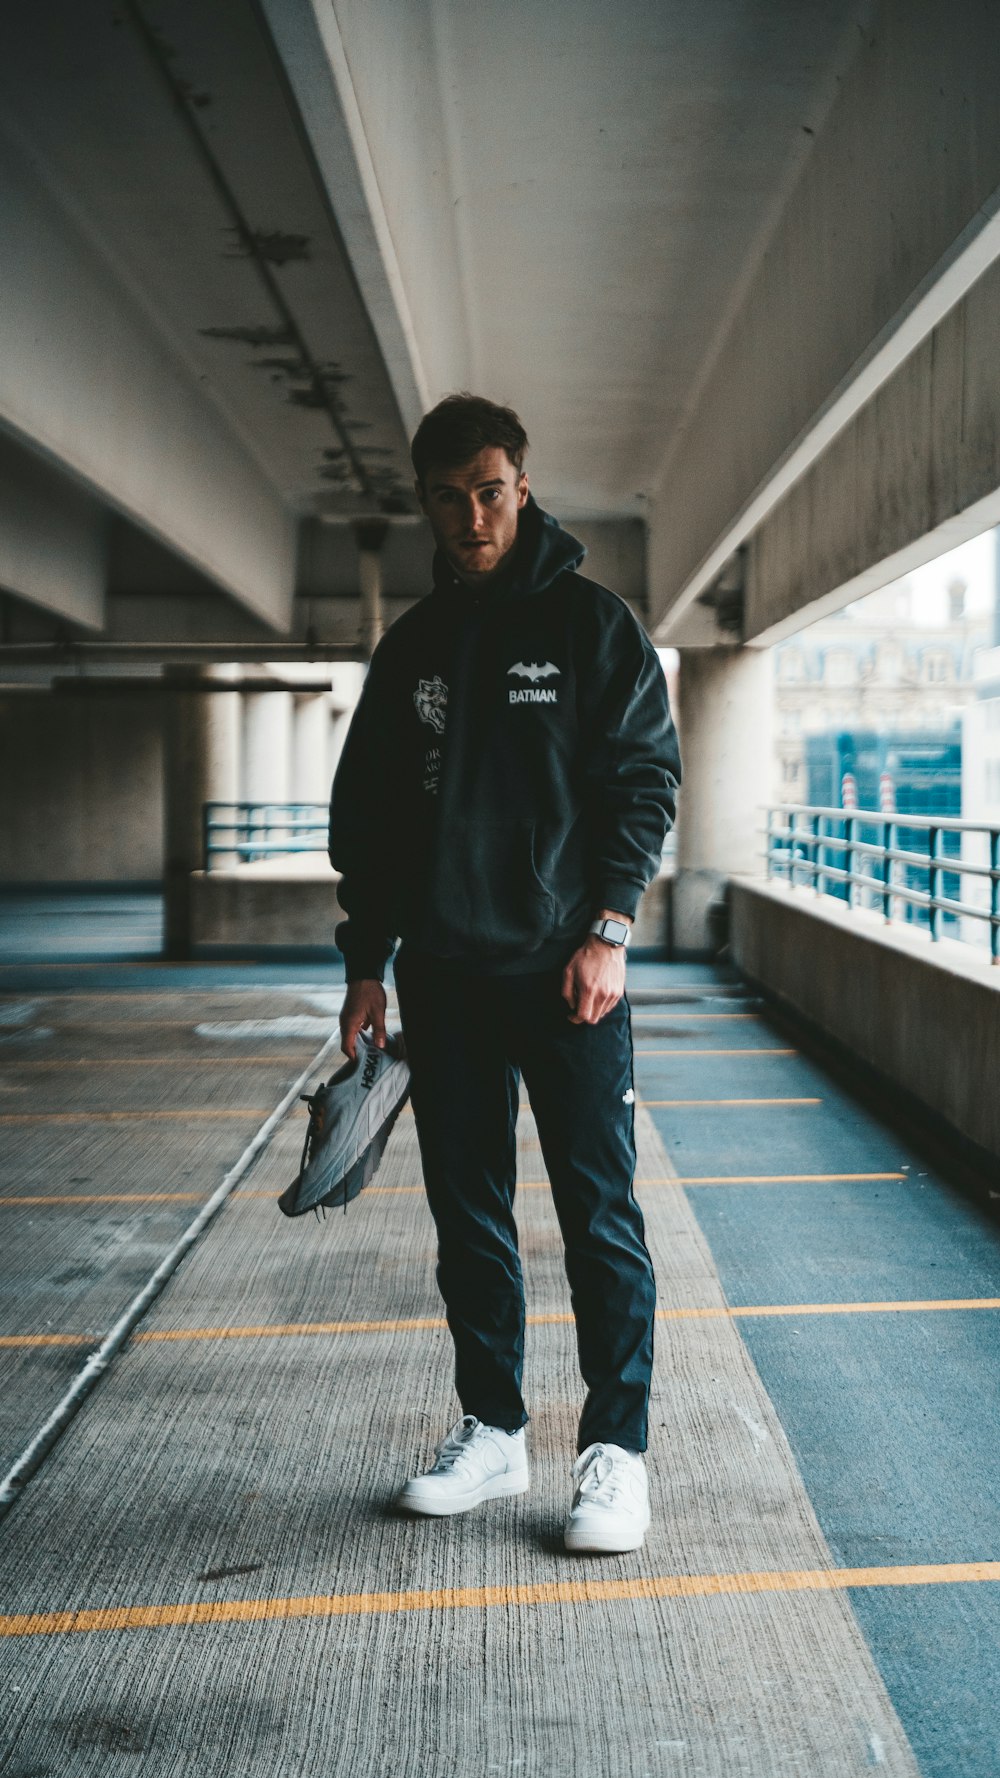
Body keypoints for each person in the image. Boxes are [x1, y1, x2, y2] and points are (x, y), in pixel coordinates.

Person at [329, 393, 681, 1554]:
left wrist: (610, 928)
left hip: (568, 973)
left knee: (598, 1214)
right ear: (424, 503)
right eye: (449, 495)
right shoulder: (415, 647)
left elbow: (642, 780)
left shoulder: (592, 625)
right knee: (467, 1213)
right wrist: (366, 962)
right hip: (444, 974)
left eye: (491, 489)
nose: (472, 514)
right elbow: (372, 819)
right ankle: (491, 1427)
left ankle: (616, 1455)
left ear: (521, 486)